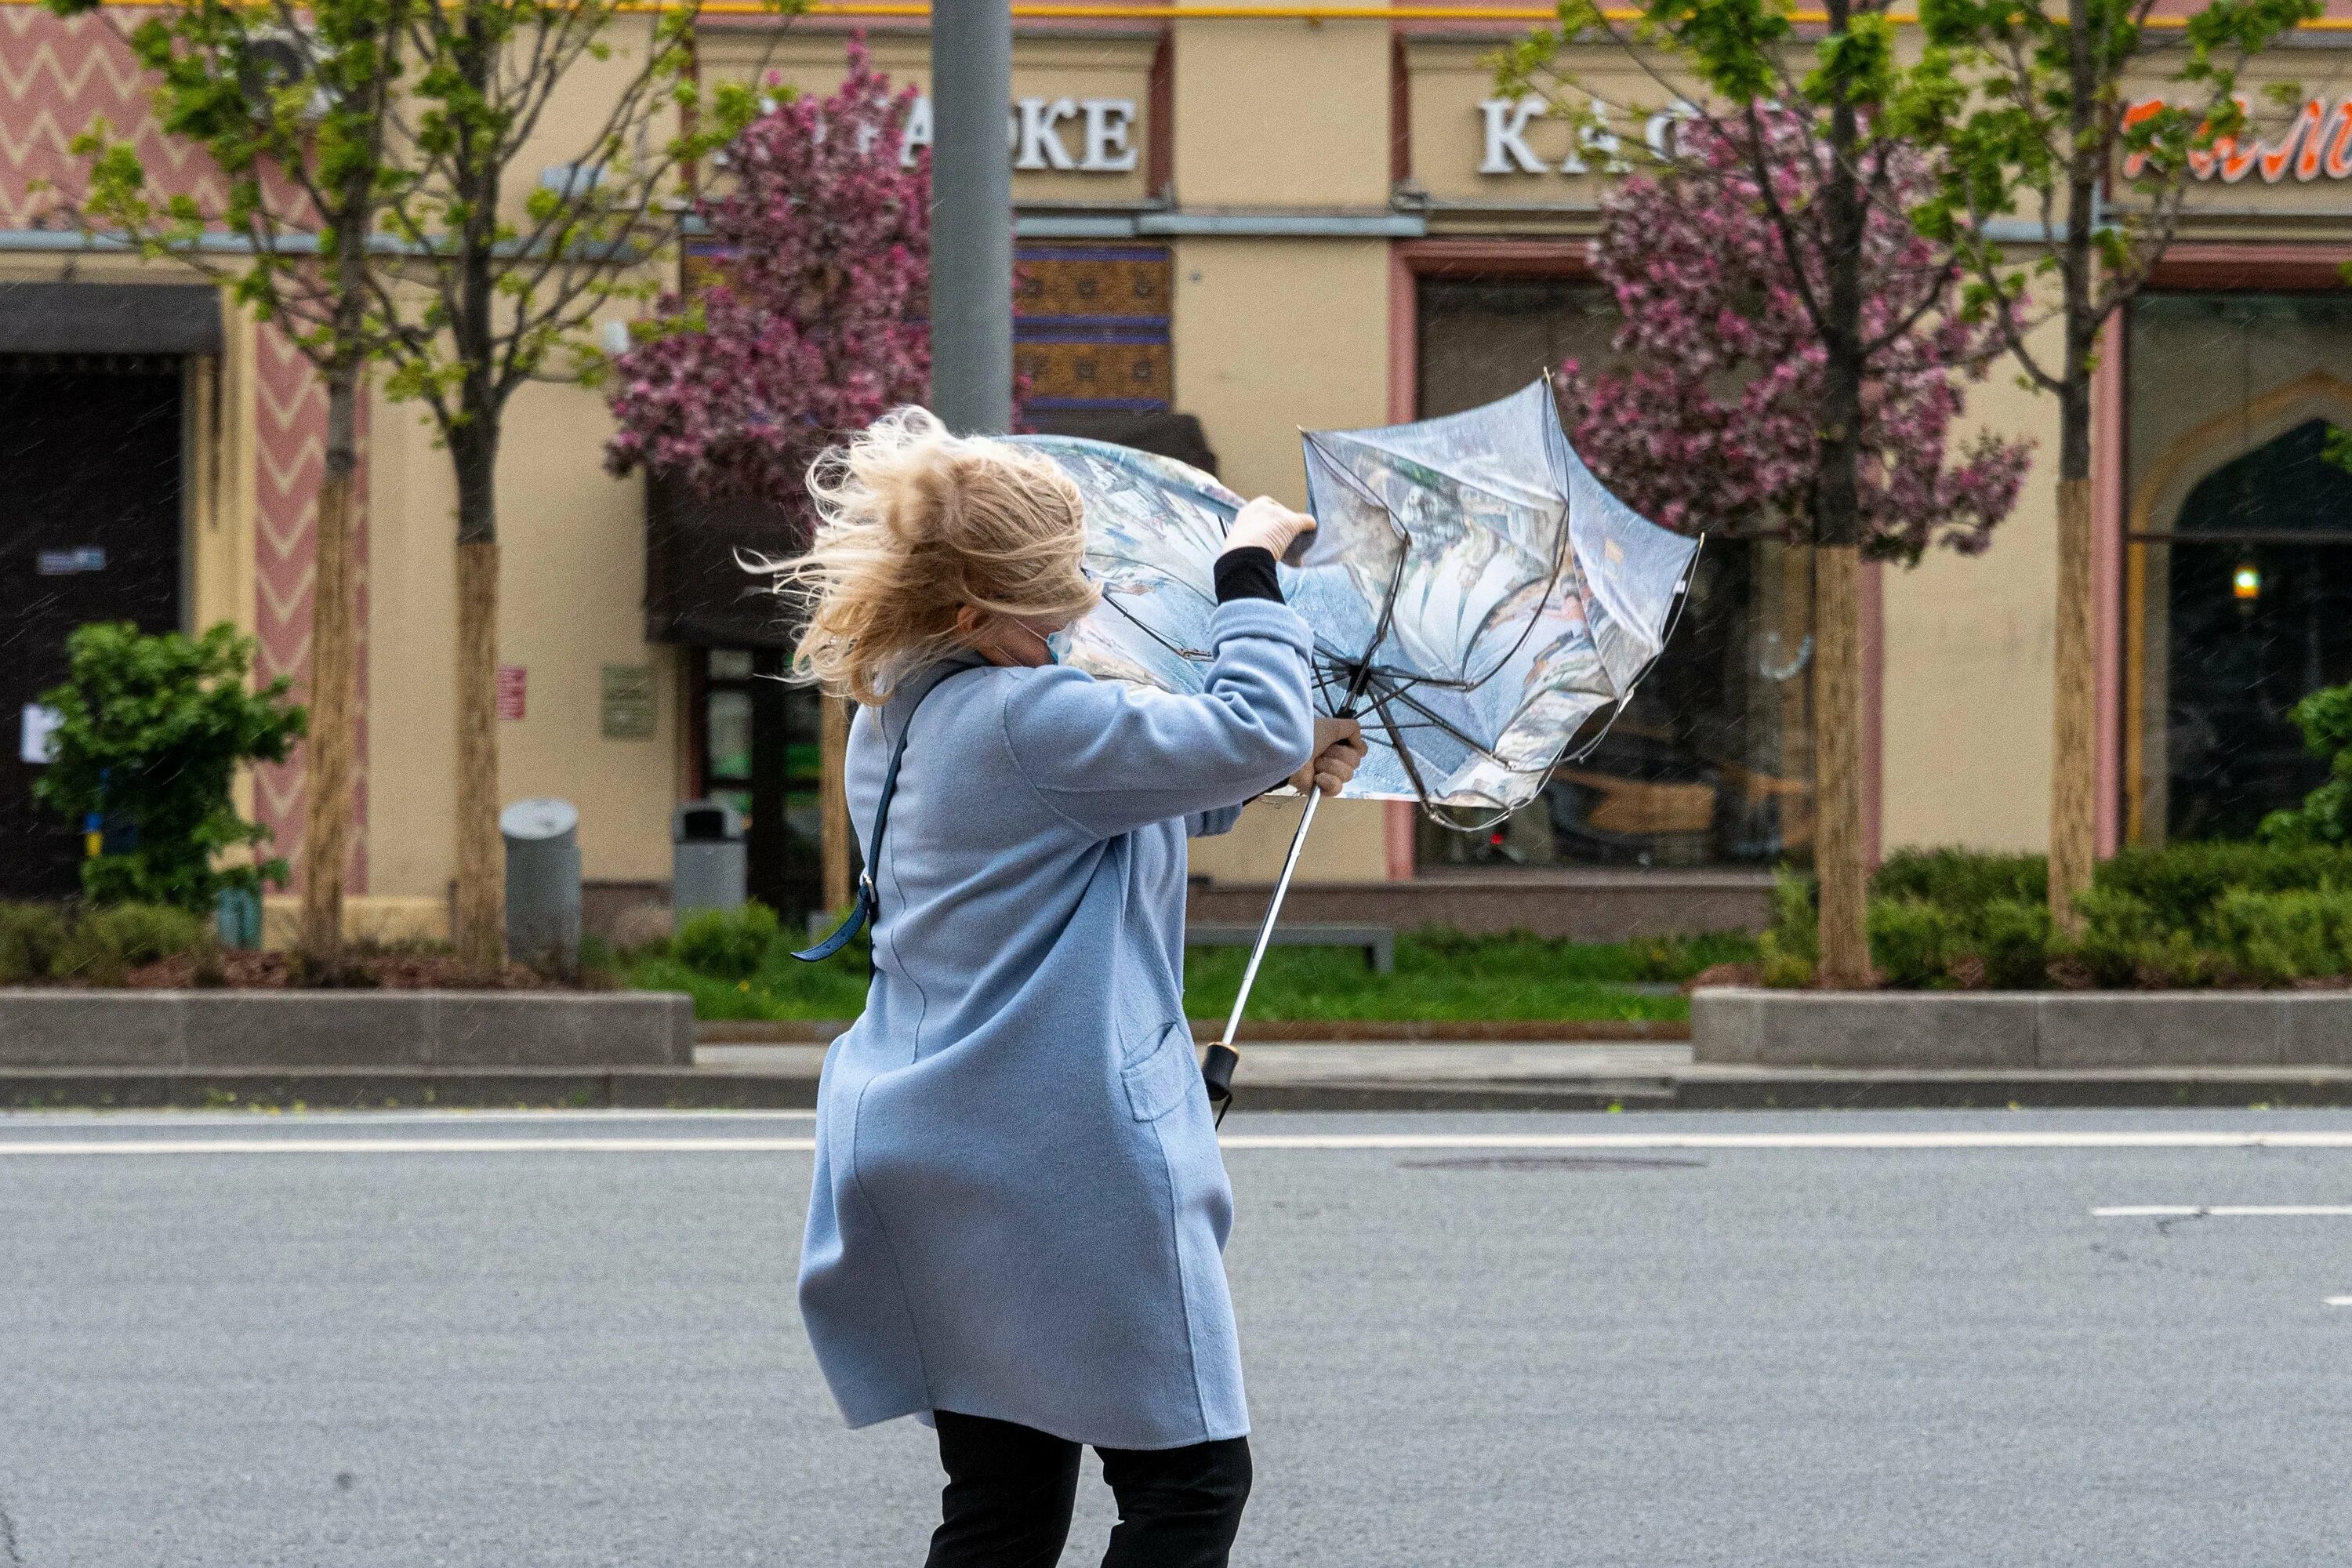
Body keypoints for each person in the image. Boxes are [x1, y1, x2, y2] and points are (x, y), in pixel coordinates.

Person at [785, 407, 1365, 1568]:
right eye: (1054, 593)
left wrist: (1277, 759)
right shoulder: (1032, 718)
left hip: (936, 1148)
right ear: (969, 611)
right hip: (1065, 1160)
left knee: (1003, 1506)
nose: (1085, 604)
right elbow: (1231, 730)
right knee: (1193, 1483)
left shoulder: (898, 713)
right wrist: (1247, 574)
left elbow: (1106, 798)